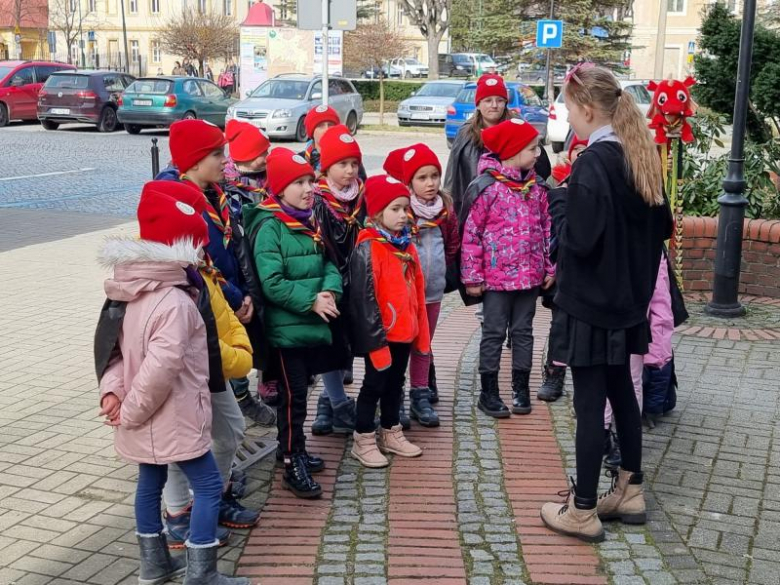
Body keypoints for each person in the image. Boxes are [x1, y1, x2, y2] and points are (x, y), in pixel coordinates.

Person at [540, 64, 672, 542]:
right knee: (624, 395)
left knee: (591, 406)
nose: (566, 117)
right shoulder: (640, 155)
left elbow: (580, 240)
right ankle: (630, 489)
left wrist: (559, 205)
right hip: (628, 302)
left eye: (568, 108)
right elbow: (662, 228)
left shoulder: (593, 163)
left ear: (588, 108)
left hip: (592, 304)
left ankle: (582, 509)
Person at [95, 181, 248, 585]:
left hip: (143, 412)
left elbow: (115, 353)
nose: (202, 254)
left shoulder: (129, 289)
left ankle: (155, 566)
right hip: (172, 413)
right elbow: (159, 369)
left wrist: (113, 390)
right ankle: (202, 574)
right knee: (209, 485)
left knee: (149, 483)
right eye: (198, 247)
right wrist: (130, 409)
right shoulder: (176, 301)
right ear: (182, 249)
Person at [158, 119, 276, 428]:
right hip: (207, 305)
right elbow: (200, 265)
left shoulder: (217, 193)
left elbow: (234, 247)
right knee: (210, 402)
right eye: (217, 154)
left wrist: (247, 293)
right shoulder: (179, 202)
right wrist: (236, 297)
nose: (226, 160)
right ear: (195, 161)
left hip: (232, 297)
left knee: (228, 385)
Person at [243, 148, 343, 499]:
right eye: (298, 183)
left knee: (300, 394)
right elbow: (271, 283)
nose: (307, 189)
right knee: (292, 397)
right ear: (280, 188)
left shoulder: (307, 218)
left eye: (309, 182)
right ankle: (289, 462)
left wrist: (330, 291)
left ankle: (296, 448)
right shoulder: (271, 225)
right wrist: (311, 301)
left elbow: (327, 261)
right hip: (284, 332)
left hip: (306, 327)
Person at [460, 119, 553, 419]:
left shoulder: (537, 188)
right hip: (496, 281)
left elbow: (546, 228)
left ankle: (521, 389)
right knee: (494, 333)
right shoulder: (487, 187)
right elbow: (471, 234)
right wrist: (472, 277)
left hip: (529, 277)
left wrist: (548, 266)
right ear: (512, 152)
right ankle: (489, 393)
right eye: (532, 148)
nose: (538, 153)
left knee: (524, 333)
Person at [348, 175, 430, 468]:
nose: (402, 215)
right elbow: (364, 302)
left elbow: (418, 290)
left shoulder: (406, 246)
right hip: (381, 336)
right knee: (374, 384)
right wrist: (376, 343)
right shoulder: (369, 248)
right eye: (395, 209)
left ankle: (391, 431)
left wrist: (421, 334)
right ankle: (364, 437)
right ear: (377, 213)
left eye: (405, 209)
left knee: (396, 383)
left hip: (404, 332)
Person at [309, 124, 365, 437]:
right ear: (327, 167)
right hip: (330, 283)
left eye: (353, 164)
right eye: (342, 164)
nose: (349, 170)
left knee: (355, 342)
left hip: (358, 283)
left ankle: (332, 401)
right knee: (330, 346)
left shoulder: (362, 198)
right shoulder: (318, 201)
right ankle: (335, 402)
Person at [403, 143, 459, 428]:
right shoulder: (402, 210)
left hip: (433, 291)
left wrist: (441, 270)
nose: (430, 183)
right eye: (422, 178)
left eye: (434, 176)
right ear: (410, 182)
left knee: (423, 344)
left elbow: (451, 245)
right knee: (401, 343)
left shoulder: (445, 210)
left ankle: (420, 393)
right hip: (404, 293)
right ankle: (396, 393)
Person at [443, 73, 552, 217]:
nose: (494, 105)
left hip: (516, 209)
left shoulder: (518, 126)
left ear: (505, 102)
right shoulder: (466, 133)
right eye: (488, 100)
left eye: (499, 100)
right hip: (477, 209)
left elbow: (541, 166)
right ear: (478, 104)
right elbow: (453, 177)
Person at [537, 135, 589, 403]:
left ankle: (586, 377)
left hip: (590, 272)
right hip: (562, 269)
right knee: (560, 325)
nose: (582, 158)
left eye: (587, 153)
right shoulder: (556, 188)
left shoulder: (595, 188)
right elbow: (549, 233)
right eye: (578, 152)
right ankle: (554, 374)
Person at [301, 105, 368, 180]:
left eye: (330, 125)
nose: (326, 129)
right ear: (312, 132)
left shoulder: (348, 156)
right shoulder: (301, 160)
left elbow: (362, 183)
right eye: (320, 126)